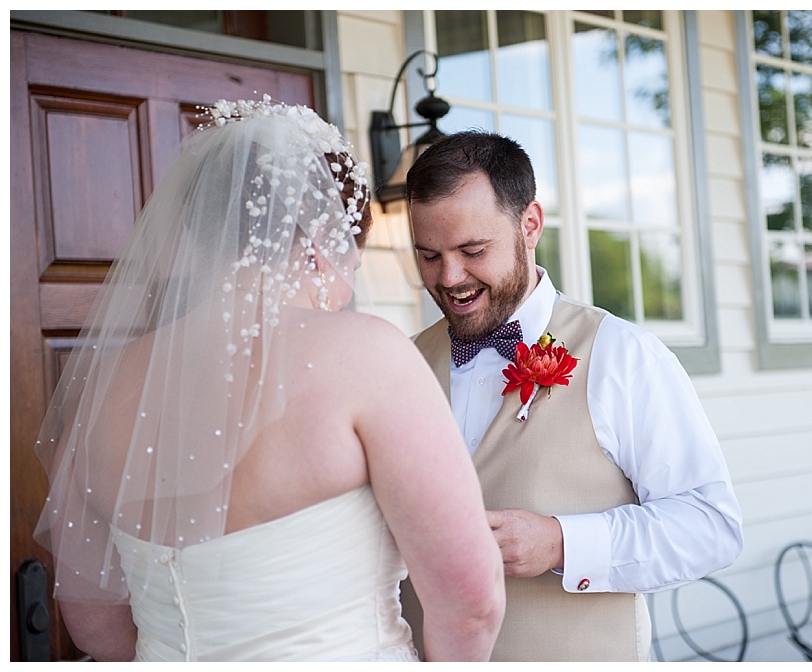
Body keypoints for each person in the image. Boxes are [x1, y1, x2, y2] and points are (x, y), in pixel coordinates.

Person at [32, 97, 504, 662]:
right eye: (348, 266)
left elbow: (91, 615)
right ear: (314, 249)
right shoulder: (366, 357)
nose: (347, 290)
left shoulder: (102, 386)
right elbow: (469, 602)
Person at [402, 131, 743, 661]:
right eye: (428, 256)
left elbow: (710, 526)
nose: (450, 278)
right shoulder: (399, 366)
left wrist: (563, 543)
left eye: (473, 250)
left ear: (530, 224)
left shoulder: (622, 355)